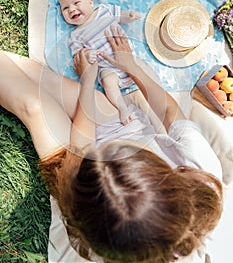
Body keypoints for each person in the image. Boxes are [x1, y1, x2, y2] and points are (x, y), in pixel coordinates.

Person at [0, 26, 223, 263]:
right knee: (52, 84)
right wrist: (131, 67)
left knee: (34, 106)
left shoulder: (98, 236)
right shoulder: (202, 166)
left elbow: (80, 150)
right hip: (115, 134)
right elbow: (168, 110)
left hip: (75, 170)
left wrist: (87, 81)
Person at [59, 0, 141, 125]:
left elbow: (121, 16)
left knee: (143, 68)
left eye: (76, 3)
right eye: (65, 8)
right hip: (109, 68)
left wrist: (130, 16)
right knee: (107, 79)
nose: (71, 9)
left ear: (91, 2)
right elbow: (79, 57)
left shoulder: (104, 11)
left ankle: (152, 94)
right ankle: (122, 108)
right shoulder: (75, 36)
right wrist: (88, 54)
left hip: (129, 59)